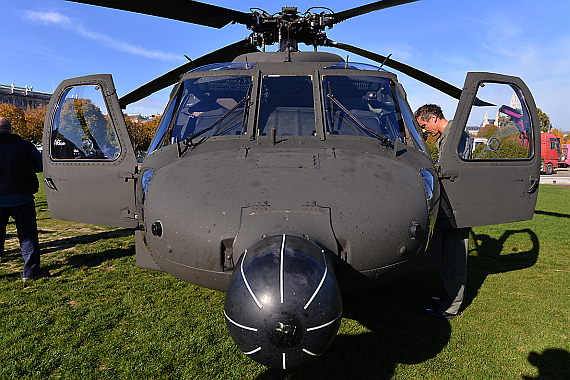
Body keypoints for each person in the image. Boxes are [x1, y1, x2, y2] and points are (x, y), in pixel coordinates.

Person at [414, 104, 471, 319]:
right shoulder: (451, 135)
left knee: (454, 258)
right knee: (448, 254)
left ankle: (452, 306)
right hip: (451, 203)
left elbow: (453, 171)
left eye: (425, 125)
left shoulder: (455, 137)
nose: (425, 130)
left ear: (435, 117)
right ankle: (449, 297)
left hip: (457, 206)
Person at [0, 117, 50, 281]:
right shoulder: (25, 145)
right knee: (28, 235)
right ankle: (31, 272)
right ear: (11, 129)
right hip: (23, 196)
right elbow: (39, 164)